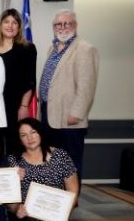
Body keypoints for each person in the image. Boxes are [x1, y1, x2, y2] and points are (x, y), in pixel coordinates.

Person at [38, 9, 99, 184]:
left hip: (70, 119)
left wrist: (77, 113)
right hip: (49, 116)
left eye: (67, 23)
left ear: (75, 25)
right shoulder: (53, 48)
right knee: (52, 162)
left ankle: (71, 201)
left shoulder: (85, 49)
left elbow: (87, 86)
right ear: (54, 27)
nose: (62, 27)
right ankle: (56, 200)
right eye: (58, 24)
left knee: (71, 163)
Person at [0, 8, 37, 155]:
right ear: (0, 25)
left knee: (14, 147)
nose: (10, 26)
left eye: (14, 22)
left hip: (14, 107)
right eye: (6, 22)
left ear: (19, 27)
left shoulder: (26, 48)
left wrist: (24, 106)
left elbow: (30, 81)